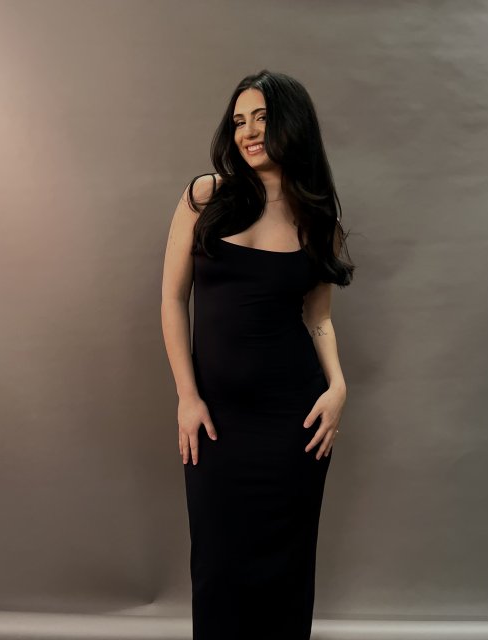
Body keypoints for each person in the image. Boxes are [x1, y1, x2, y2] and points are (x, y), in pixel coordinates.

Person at [160, 69, 354, 640]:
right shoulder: (204, 197)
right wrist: (188, 397)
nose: (247, 132)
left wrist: (338, 387)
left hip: (294, 419)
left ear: (292, 125)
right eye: (239, 120)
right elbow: (172, 299)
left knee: (286, 568)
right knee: (217, 564)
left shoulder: (319, 221)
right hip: (215, 418)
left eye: (262, 119)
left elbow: (318, 318)